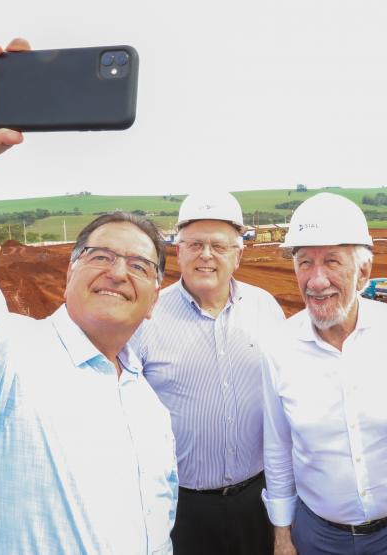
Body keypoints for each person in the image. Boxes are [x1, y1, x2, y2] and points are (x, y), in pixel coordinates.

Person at [0, 39, 177, 554]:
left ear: (154, 296)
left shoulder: (149, 407)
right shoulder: (12, 360)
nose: (117, 271)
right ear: (70, 272)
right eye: (99, 255)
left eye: (139, 265)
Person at [261, 193, 387, 555]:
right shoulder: (279, 346)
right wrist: (281, 533)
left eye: (332, 261)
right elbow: (278, 447)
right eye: (304, 262)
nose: (316, 280)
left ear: (364, 272)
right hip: (318, 536)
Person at [130, 191, 285, 554]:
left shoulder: (266, 308)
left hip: (257, 501)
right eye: (195, 244)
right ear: (178, 251)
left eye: (219, 246)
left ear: (238, 254)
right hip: (180, 506)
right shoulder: (147, 317)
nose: (206, 255)